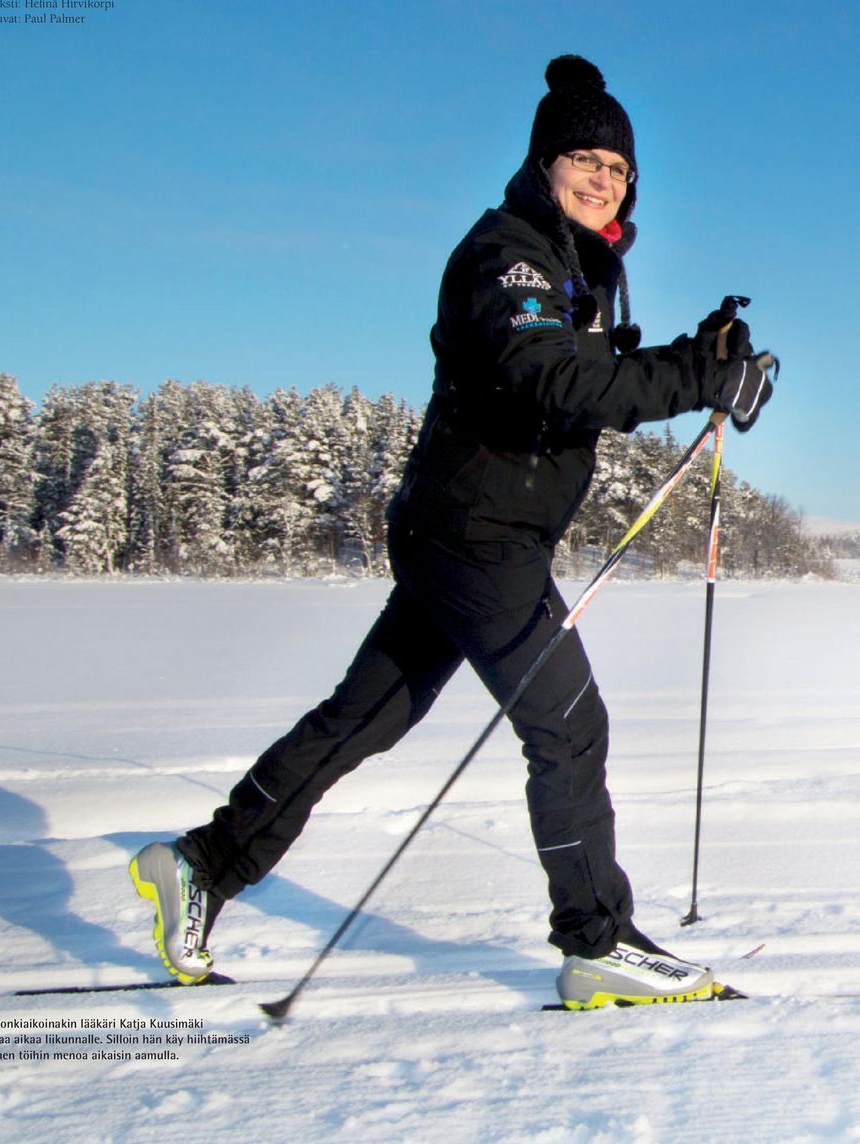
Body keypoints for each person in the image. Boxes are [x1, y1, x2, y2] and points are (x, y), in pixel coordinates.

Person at [130, 54, 774, 1008]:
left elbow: (576, 372)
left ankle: (201, 864)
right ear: (546, 163)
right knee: (567, 726)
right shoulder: (510, 254)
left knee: (364, 719)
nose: (604, 179)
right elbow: (547, 377)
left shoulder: (567, 262)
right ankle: (595, 940)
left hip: (466, 531)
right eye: (586, 160)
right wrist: (693, 383)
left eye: (619, 168)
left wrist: (693, 356)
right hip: (479, 537)